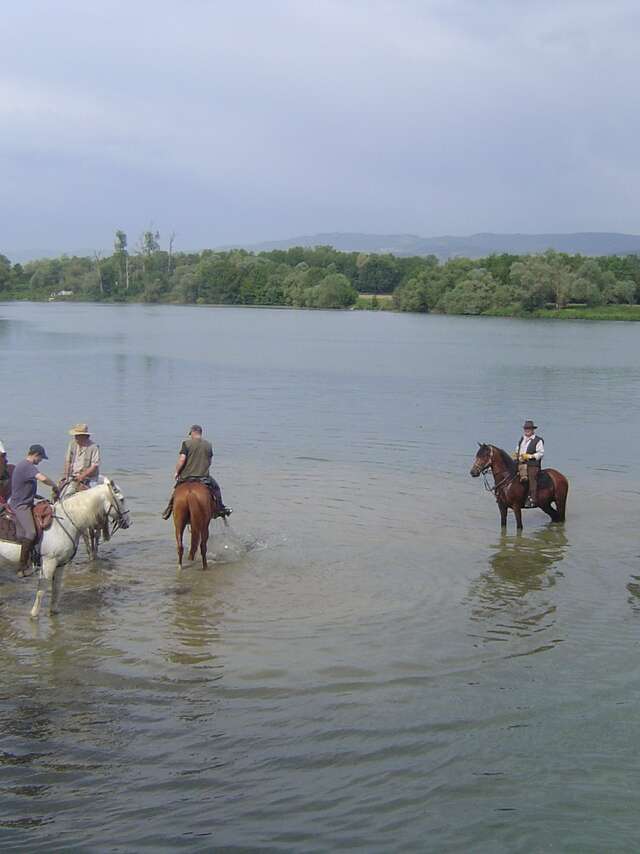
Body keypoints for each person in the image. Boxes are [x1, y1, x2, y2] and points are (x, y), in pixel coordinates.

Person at [161, 424, 231, 520]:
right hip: (203, 477)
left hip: (186, 476)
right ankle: (220, 508)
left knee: (176, 491)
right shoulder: (208, 445)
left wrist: (177, 472)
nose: (190, 436)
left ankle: (168, 509)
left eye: (190, 434)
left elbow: (182, 460)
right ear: (200, 433)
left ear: (193, 432)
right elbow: (209, 461)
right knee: (216, 488)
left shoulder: (186, 443)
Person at [10, 444, 58, 574]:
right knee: (30, 533)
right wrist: (54, 485)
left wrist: (39, 497)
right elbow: (42, 478)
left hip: (28, 502)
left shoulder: (25, 466)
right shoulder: (27, 466)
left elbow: (24, 487)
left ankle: (37, 557)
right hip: (20, 505)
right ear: (36, 455)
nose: (40, 461)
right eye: (41, 458)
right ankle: (22, 567)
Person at [61, 423, 101, 492]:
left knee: (92, 495)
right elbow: (68, 461)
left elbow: (94, 465)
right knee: (61, 491)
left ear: (84, 436)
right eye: (75, 435)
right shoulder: (72, 444)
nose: (75, 437)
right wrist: (66, 476)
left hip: (90, 477)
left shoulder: (93, 447)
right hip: (74, 475)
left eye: (77, 436)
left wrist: (82, 476)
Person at [515, 420, 544, 508]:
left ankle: (532, 499)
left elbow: (540, 453)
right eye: (526, 428)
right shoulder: (522, 439)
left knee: (532, 477)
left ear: (532, 430)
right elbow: (517, 450)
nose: (527, 430)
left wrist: (530, 456)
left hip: (532, 464)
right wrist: (515, 454)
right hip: (521, 462)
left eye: (529, 429)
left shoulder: (538, 440)